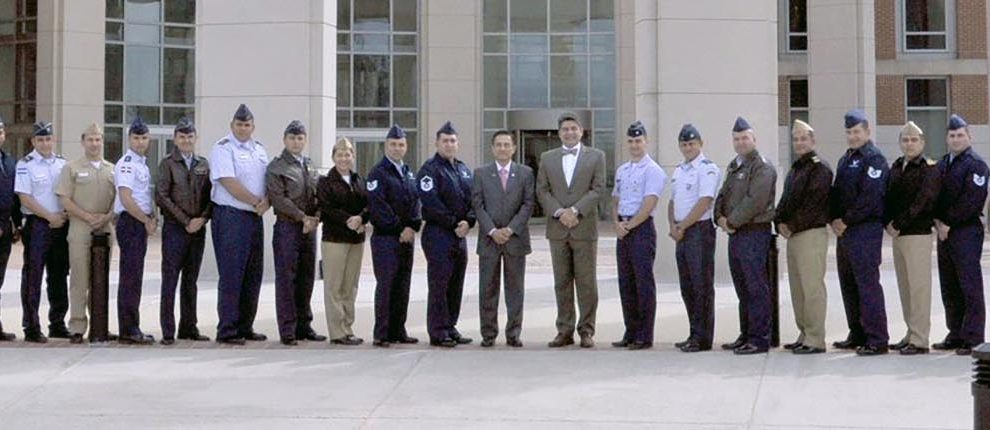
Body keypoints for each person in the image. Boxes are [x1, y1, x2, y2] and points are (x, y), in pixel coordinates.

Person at [537, 112, 606, 349]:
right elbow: (542, 190)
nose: (569, 132)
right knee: (561, 282)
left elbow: (598, 189)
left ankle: (587, 330)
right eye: (565, 129)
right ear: (559, 133)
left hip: (583, 228)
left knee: (587, 283)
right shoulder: (547, 158)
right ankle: (564, 330)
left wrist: (575, 211)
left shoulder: (596, 156)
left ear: (581, 131)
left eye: (573, 128)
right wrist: (559, 212)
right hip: (558, 229)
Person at [829, 109, 890, 356]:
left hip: (865, 229)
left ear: (867, 132)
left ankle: (877, 338)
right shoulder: (846, 159)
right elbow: (836, 193)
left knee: (867, 285)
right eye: (849, 132)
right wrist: (833, 219)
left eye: (856, 132)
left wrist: (846, 220)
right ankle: (857, 333)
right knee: (849, 285)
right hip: (844, 232)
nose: (852, 136)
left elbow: (870, 196)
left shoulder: (874, 159)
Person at [714, 117, 777, 355]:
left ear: (754, 139)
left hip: (753, 232)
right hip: (736, 234)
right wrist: (719, 217)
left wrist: (731, 221)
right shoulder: (734, 165)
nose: (741, 142)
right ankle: (746, 333)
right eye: (737, 139)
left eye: (745, 138)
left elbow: (755, 201)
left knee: (755, 287)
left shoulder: (762, 167)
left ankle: (759, 338)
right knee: (742, 287)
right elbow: (723, 195)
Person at [209, 104, 270, 345]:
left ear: (253, 127)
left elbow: (266, 180)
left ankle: (245, 325)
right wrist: (257, 201)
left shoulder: (259, 149)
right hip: (231, 216)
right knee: (232, 274)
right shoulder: (223, 148)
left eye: (247, 125)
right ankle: (227, 329)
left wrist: (267, 201)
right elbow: (228, 181)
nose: (243, 128)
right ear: (231, 125)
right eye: (239, 124)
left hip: (254, 217)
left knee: (252, 274)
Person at [774, 119, 833, 355]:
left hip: (810, 233)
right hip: (794, 235)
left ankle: (816, 338)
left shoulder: (820, 168)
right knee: (798, 289)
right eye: (796, 139)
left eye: (803, 139)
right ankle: (804, 333)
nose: (799, 143)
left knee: (812, 288)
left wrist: (791, 226)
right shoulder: (796, 169)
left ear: (813, 140)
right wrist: (778, 221)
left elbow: (814, 205)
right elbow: (785, 201)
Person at [472, 130, 535, 348]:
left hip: (515, 240)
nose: (502, 148)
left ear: (514, 148)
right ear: (492, 148)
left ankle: (513, 333)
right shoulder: (480, 173)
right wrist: (492, 230)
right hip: (489, 241)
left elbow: (528, 204)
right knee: (487, 289)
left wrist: (510, 229)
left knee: (515, 289)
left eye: (506, 144)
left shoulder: (525, 173)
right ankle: (488, 334)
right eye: (498, 144)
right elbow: (477, 205)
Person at [932, 114, 989, 356]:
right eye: (952, 135)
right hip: (944, 233)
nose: (956, 139)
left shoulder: (977, 165)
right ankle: (955, 333)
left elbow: (972, 201)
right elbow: (932, 196)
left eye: (960, 135)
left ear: (969, 137)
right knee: (950, 286)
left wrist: (948, 224)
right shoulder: (943, 163)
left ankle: (973, 337)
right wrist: (937, 222)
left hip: (965, 232)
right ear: (947, 138)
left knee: (969, 285)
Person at [265, 120, 324, 346]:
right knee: (287, 279)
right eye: (292, 138)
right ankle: (287, 329)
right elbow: (279, 199)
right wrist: (302, 217)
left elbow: (318, 194)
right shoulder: (277, 167)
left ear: (305, 140)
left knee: (306, 277)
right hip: (288, 227)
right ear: (284, 140)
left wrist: (316, 217)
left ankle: (304, 325)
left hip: (309, 229)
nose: (296, 142)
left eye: (300, 138)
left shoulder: (309, 165)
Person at [884, 121, 940, 356]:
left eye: (914, 140)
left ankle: (920, 339)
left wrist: (898, 224)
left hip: (917, 233)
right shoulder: (897, 166)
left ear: (922, 143)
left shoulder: (929, 168)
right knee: (905, 287)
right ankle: (910, 332)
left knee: (918, 288)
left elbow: (924, 200)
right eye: (905, 140)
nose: (909, 144)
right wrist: (888, 222)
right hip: (898, 235)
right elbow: (887, 197)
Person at [417, 121, 475, 348]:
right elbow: (431, 204)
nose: (449, 144)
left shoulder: (463, 169)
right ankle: (438, 331)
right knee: (439, 284)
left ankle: (450, 326)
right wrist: (454, 223)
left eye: (453, 140)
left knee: (456, 283)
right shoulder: (429, 170)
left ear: (457, 143)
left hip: (459, 235)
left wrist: (469, 221)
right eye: (445, 141)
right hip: (438, 234)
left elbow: (473, 199)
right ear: (436, 143)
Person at [57, 123, 115, 344]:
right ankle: (77, 326)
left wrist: (106, 217)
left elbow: (118, 198)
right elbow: (64, 199)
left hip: (105, 227)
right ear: (83, 142)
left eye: (98, 139)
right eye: (90, 139)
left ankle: (100, 325)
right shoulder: (71, 168)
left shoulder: (111, 168)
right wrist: (87, 216)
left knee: (101, 280)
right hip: (80, 227)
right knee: (80, 278)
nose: (94, 144)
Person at [611, 121, 666, 350]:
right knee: (626, 282)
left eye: (638, 141)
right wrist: (616, 223)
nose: (634, 145)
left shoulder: (653, 170)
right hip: (623, 229)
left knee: (643, 282)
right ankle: (630, 331)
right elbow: (615, 199)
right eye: (631, 141)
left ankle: (644, 335)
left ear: (646, 142)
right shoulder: (623, 170)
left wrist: (629, 225)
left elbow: (649, 202)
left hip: (640, 229)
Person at [156, 117, 212, 345]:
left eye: (190, 136)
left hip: (197, 230)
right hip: (175, 230)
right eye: (182, 137)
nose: (186, 140)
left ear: (195, 138)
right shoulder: (167, 163)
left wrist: (202, 219)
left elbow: (211, 195)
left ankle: (189, 327)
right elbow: (162, 196)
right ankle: (168, 331)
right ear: (175, 139)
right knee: (170, 280)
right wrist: (185, 221)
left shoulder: (203, 163)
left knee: (191, 281)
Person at [367, 124, 421, 347]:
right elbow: (378, 207)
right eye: (393, 144)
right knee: (387, 285)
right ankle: (382, 333)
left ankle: (399, 330)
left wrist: (413, 226)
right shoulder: (378, 173)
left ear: (406, 147)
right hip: (386, 239)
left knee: (402, 285)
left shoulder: (408, 172)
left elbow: (416, 201)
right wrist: (400, 229)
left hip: (406, 239)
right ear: (385, 146)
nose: (397, 148)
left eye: (401, 145)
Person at [15, 121, 69, 343]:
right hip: (38, 225)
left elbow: (68, 193)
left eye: (48, 139)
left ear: (53, 140)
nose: (45, 143)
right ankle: (31, 326)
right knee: (33, 276)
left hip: (61, 225)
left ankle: (57, 323)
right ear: (33, 142)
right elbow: (25, 198)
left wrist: (62, 216)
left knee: (58, 276)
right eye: (40, 140)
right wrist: (50, 217)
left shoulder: (63, 164)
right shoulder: (25, 165)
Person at [668, 124, 720, 353]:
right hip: (682, 232)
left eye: (692, 144)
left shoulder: (707, 168)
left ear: (701, 144)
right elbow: (672, 201)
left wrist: (683, 226)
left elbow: (704, 202)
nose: (688, 147)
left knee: (701, 286)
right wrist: (673, 225)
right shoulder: (679, 170)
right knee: (687, 286)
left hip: (699, 231)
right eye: (684, 144)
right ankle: (693, 332)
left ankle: (703, 338)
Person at [318, 137, 368, 346]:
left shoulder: (358, 179)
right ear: (333, 157)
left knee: (350, 286)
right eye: (340, 154)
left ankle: (348, 327)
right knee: (334, 286)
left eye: (348, 154)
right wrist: (349, 220)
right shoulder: (325, 181)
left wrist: (362, 218)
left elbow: (369, 203)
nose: (344, 158)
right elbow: (326, 207)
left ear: (353, 157)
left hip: (356, 239)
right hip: (335, 239)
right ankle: (337, 331)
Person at [113, 117, 157, 345]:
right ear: (129, 139)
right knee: (130, 277)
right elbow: (126, 198)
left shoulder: (141, 163)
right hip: (131, 222)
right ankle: (128, 329)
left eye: (144, 138)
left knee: (135, 276)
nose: (140, 142)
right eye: (136, 138)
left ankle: (132, 326)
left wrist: (151, 217)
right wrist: (145, 220)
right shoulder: (128, 163)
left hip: (138, 222)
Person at [0, 114, 20, 341]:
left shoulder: (9, 162)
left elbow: (14, 198)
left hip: (5, 228)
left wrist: (18, 226)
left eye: (1, 132)